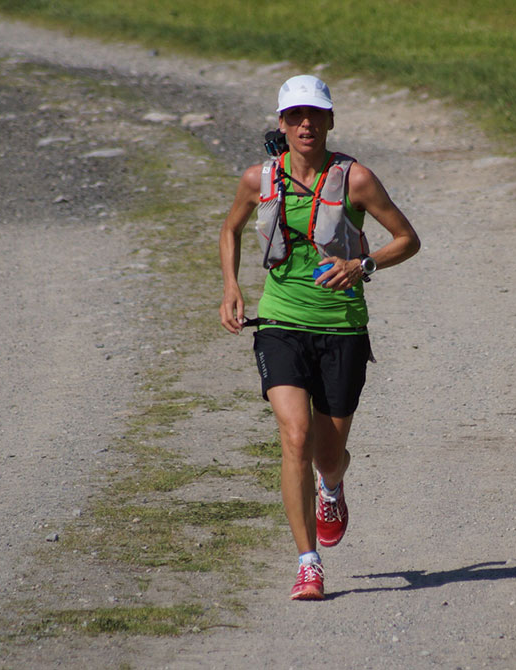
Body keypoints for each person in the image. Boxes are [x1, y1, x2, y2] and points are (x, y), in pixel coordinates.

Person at [218, 74, 420, 600]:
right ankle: (308, 563)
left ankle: (332, 486)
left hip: (342, 329)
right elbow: (229, 230)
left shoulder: (356, 180)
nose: (305, 124)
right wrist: (232, 287)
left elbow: (407, 240)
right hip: (281, 322)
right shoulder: (258, 178)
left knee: (328, 455)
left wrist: (363, 264)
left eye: (315, 115)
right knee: (296, 437)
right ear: (281, 124)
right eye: (294, 116)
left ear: (330, 120)